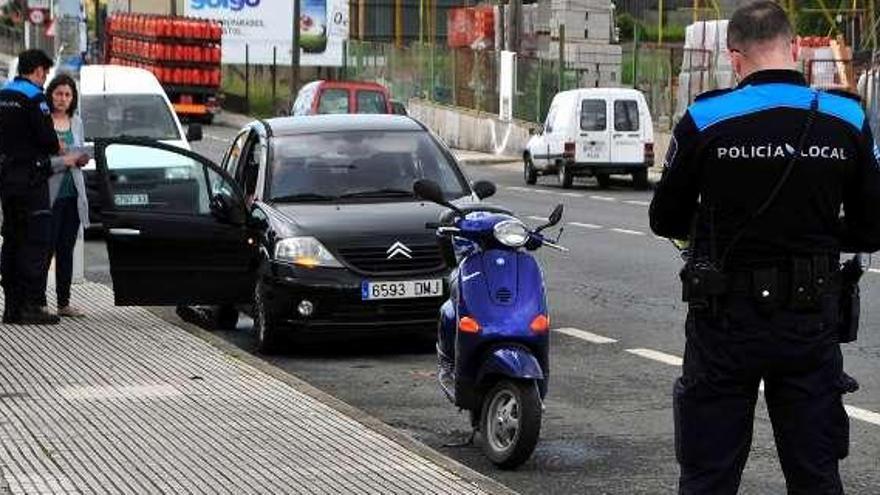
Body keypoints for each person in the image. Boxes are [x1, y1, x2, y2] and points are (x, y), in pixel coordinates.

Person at [649, 2, 880, 493]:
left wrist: (716, 232)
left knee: (708, 476)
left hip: (724, 323)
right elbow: (873, 228)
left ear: (735, 58)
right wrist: (817, 232)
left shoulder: (705, 117)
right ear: (794, 48)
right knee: (816, 475)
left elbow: (663, 219)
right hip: (809, 321)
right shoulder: (846, 117)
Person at [0, 49, 87, 325]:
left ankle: (11, 308)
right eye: (45, 73)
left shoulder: (3, 94)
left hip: (7, 182)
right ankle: (31, 307)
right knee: (35, 243)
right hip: (32, 183)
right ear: (38, 70)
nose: (44, 78)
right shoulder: (34, 98)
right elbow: (49, 140)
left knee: (11, 241)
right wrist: (64, 151)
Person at [37, 73, 89, 318]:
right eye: (58, 93)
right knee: (46, 247)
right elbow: (41, 158)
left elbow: (81, 152)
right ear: (51, 95)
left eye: (67, 94)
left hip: (72, 194)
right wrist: (63, 158)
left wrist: (81, 157)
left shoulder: (76, 122)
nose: (62, 99)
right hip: (50, 194)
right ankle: (39, 301)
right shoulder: (43, 120)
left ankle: (64, 302)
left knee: (66, 248)